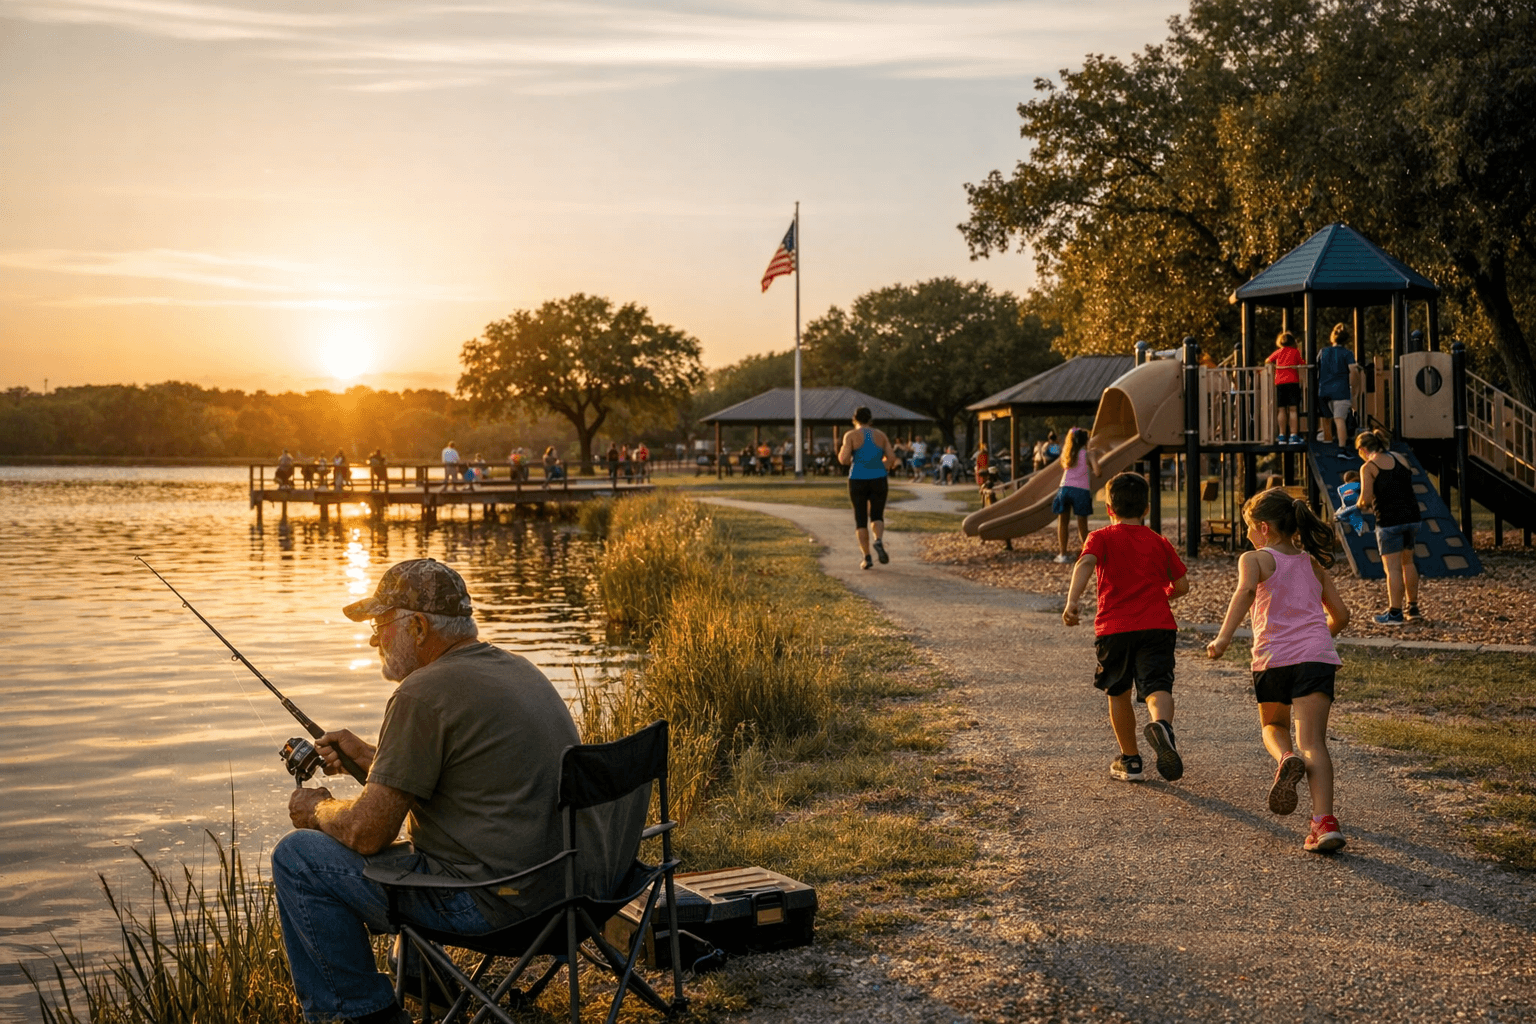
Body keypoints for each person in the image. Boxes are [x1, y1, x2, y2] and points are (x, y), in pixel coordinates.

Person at [271, 558, 580, 1024]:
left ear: (417, 627)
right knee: (417, 848)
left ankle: (360, 1016)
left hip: (499, 906)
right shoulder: (515, 669)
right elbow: (467, 782)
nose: (374, 640)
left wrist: (318, 808)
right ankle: (424, 980)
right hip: (570, 893)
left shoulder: (420, 693)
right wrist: (374, 759)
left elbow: (366, 833)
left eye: (381, 626)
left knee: (299, 860)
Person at [1205, 489, 1351, 853]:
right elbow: (1342, 616)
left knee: (1273, 727)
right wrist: (1316, 640)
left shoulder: (1255, 559)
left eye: (1250, 529)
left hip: (1273, 659)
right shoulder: (1312, 564)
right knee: (1314, 742)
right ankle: (1325, 823)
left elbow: (1243, 594)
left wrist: (1223, 639)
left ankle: (1286, 759)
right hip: (1316, 659)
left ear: (1264, 528)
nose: (1248, 536)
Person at [1062, 472, 1190, 782]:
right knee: (1157, 685)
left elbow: (1085, 563)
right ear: (1147, 508)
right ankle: (1162, 726)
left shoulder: (1101, 537)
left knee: (1118, 691)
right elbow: (1183, 584)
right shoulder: (1159, 541)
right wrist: (1165, 594)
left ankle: (1130, 760)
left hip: (1114, 628)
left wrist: (1073, 601)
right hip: (1158, 625)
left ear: (1108, 509)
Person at [1355, 429, 1423, 625]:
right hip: (1412, 517)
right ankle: (1413, 607)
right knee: (1408, 563)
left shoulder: (1368, 467)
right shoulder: (1401, 457)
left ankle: (1395, 613)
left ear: (1362, 449)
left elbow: (1366, 500)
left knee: (1392, 569)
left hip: (1389, 521)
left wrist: (1356, 505)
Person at [837, 405, 896, 570]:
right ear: (870, 420)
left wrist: (851, 458)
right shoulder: (881, 435)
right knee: (877, 514)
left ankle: (867, 557)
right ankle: (878, 540)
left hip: (857, 478)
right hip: (879, 478)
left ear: (854, 419)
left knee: (861, 518)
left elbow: (844, 459)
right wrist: (880, 465)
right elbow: (891, 458)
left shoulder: (851, 435)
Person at [1051, 427, 1100, 564]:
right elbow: (1098, 472)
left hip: (1064, 489)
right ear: (1086, 441)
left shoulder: (1067, 454)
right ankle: (1086, 554)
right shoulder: (1088, 454)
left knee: (1063, 523)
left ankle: (1063, 554)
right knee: (1082, 526)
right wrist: (1094, 460)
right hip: (1081, 491)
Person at [1317, 323, 1356, 450]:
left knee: (1326, 417)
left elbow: (1317, 367)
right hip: (1340, 390)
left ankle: (1327, 441)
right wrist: (1354, 389)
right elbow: (1353, 371)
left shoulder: (1323, 352)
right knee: (1339, 419)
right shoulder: (1347, 353)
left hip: (1323, 390)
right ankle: (1342, 447)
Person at [1266, 331, 1306, 445]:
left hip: (1279, 382)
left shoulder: (1278, 352)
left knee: (1281, 409)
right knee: (1293, 409)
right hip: (1292, 381)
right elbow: (1302, 363)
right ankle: (1293, 435)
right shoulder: (1295, 352)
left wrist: (1274, 367)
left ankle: (1282, 435)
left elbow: (1267, 361)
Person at [1334, 470, 1365, 536]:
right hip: (1355, 506)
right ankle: (1360, 531)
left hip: (1346, 508)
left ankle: (1340, 516)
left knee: (1352, 517)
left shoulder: (1340, 488)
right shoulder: (1359, 485)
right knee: (1356, 517)